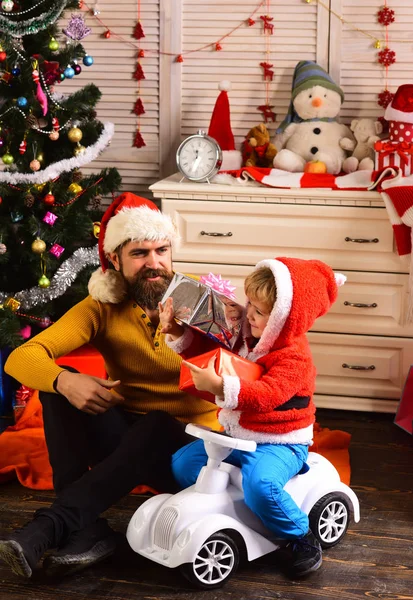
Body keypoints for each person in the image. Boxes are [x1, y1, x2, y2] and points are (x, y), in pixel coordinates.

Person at [0, 192, 218, 579]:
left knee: (155, 425)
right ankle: (86, 529)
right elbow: (21, 357)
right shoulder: (102, 306)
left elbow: (243, 372)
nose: (154, 263)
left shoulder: (202, 300)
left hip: (193, 452)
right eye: (139, 253)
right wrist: (65, 380)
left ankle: (51, 526)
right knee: (57, 390)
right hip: (126, 442)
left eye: (162, 250)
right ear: (115, 259)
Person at [159, 257, 346, 578]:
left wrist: (220, 385)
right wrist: (176, 330)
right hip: (238, 434)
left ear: (285, 320)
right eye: (250, 305)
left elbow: (266, 395)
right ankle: (234, 509)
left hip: (279, 442)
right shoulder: (247, 334)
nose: (251, 315)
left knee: (261, 484)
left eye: (261, 313)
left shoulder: (294, 358)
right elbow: (209, 354)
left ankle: (300, 536)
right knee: (183, 463)